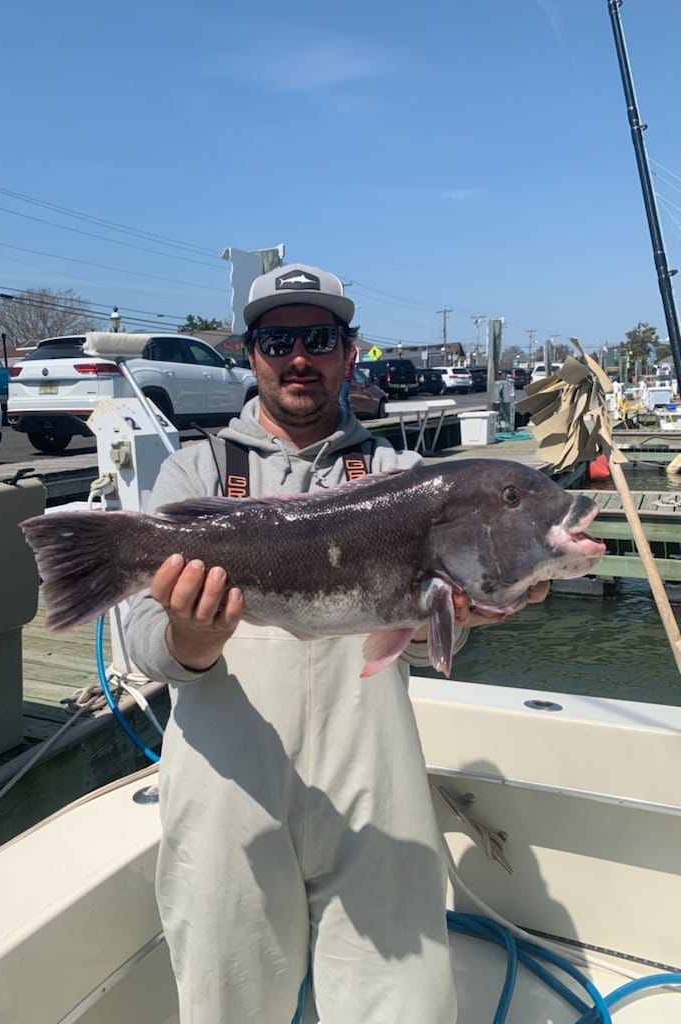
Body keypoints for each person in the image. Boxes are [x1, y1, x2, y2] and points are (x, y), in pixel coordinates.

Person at [124, 262, 549, 1024]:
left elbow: (417, 646)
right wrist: (191, 636)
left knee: (404, 1002)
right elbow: (141, 646)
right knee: (227, 998)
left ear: (349, 352)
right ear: (249, 353)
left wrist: (465, 616)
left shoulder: (403, 476)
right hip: (228, 790)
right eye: (277, 338)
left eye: (317, 337)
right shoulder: (195, 474)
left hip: (371, 782)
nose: (297, 357)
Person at [339, 340, 357, 415]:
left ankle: (347, 417)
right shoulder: (341, 347)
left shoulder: (351, 348)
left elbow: (350, 362)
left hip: (345, 377)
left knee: (342, 398)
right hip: (338, 377)